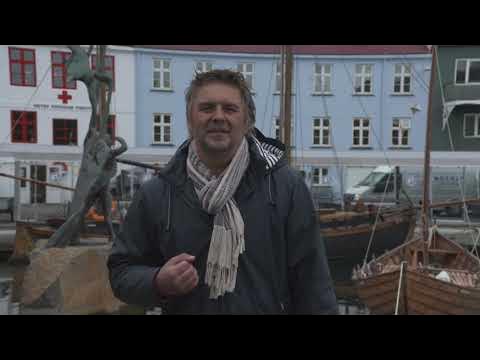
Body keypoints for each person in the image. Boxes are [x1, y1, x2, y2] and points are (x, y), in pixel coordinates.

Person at [107, 69, 338, 314]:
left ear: (247, 121)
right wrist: (158, 282)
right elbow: (121, 271)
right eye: (207, 108)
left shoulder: (284, 188)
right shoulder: (159, 194)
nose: (218, 116)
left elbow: (315, 285)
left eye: (230, 109)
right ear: (189, 119)